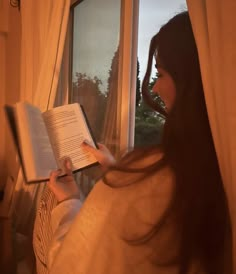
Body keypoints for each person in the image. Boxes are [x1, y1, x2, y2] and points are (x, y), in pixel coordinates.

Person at [34, 11, 232, 274]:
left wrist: (69, 202)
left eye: (160, 75)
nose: (156, 90)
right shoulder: (221, 163)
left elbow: (71, 265)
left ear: (191, 79)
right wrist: (116, 170)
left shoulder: (158, 180)